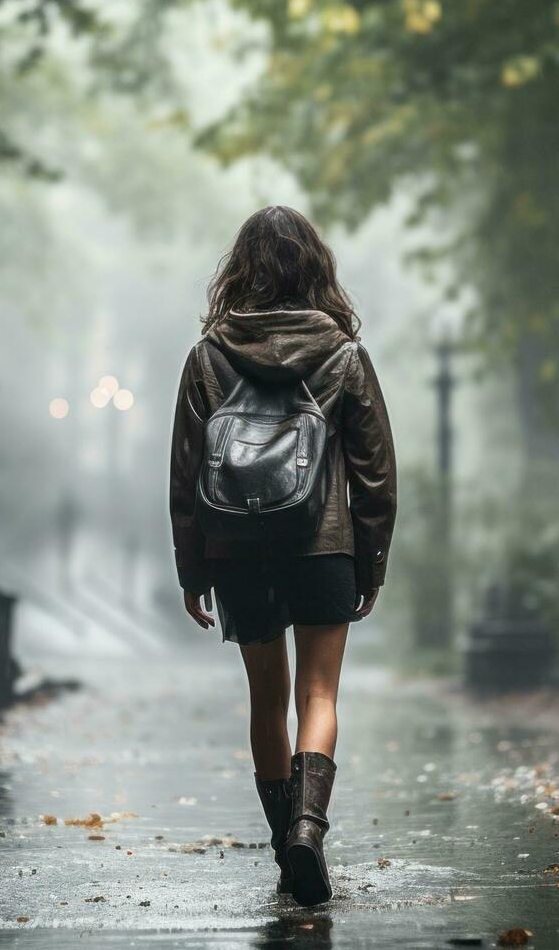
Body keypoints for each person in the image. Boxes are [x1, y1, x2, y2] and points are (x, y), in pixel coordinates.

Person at [168, 205, 397, 907]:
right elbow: (376, 475)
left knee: (266, 701)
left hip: (239, 551)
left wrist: (193, 570)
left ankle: (282, 848)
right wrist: (370, 564)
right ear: (314, 270)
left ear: (240, 270)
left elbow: (184, 477)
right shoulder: (342, 356)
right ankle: (308, 829)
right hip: (322, 546)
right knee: (318, 695)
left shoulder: (208, 357)